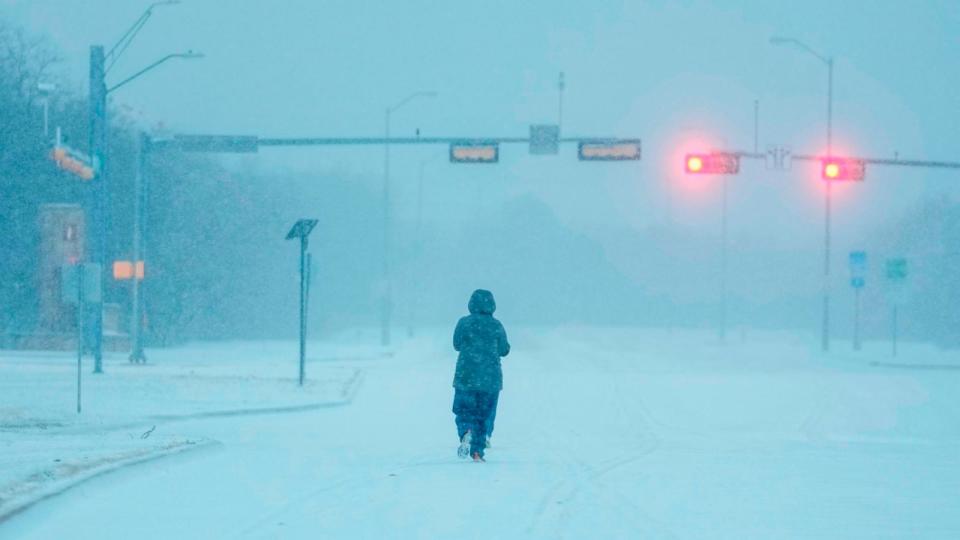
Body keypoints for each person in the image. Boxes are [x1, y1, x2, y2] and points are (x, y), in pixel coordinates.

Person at [452, 289, 510, 462]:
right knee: (484, 414)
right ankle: (477, 451)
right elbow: (504, 350)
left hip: (465, 376)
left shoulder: (464, 323)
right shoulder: (496, 325)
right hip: (490, 379)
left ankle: (466, 431)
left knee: (464, 409)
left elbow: (456, 344)